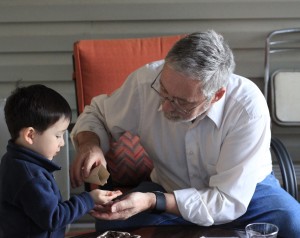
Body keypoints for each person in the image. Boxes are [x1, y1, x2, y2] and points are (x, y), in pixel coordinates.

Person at [70, 30, 300, 237]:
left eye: (182, 102)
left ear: (216, 95)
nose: (167, 107)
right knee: (110, 226)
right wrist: (90, 143)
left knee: (294, 224)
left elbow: (227, 200)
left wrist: (153, 201)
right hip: (170, 187)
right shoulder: (146, 81)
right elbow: (97, 113)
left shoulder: (247, 108)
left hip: (245, 195)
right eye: (164, 92)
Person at [0, 85, 122, 238]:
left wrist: (86, 204)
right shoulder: (31, 175)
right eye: (58, 136)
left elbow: (45, 210)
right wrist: (88, 199)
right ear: (30, 135)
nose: (62, 143)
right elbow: (53, 218)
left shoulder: (13, 160)